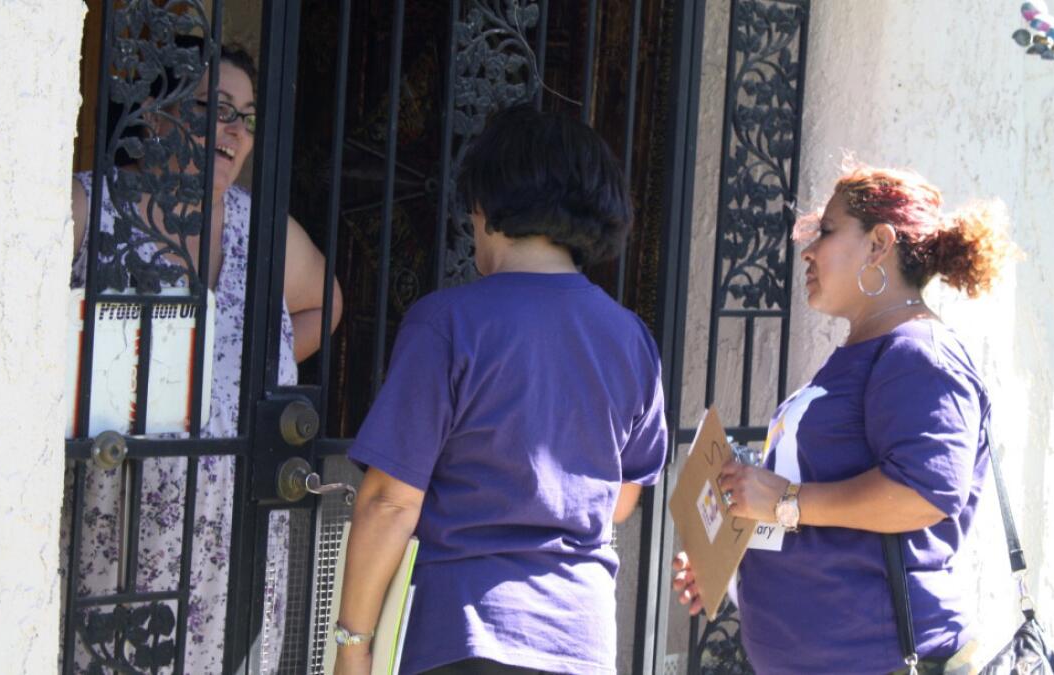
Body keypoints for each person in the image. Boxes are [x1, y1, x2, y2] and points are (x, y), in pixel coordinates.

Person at [332, 105, 668, 675]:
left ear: (488, 207)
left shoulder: (446, 323)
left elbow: (390, 501)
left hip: (465, 632)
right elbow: (624, 496)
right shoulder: (631, 338)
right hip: (583, 639)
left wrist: (353, 645)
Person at [672, 164, 1017, 674]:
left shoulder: (918, 353)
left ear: (880, 243)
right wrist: (729, 551)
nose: (808, 251)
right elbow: (820, 512)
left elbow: (921, 494)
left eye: (826, 231)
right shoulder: (864, 352)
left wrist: (786, 502)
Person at [67, 37, 342, 672]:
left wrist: (256, 367)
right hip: (118, 534)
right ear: (155, 111)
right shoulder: (92, 208)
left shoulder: (260, 226)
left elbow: (324, 305)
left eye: (244, 117)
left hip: (238, 534)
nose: (233, 131)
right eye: (215, 107)